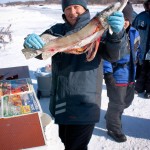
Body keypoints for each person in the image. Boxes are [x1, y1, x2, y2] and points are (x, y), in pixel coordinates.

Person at [24, 0, 127, 149]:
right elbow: (39, 53)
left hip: (84, 103)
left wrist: (117, 35)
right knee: (65, 140)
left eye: (76, 7)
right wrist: (29, 44)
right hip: (60, 101)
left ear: (84, 8)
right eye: (68, 8)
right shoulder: (56, 30)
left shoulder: (101, 30)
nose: (72, 12)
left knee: (76, 146)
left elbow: (114, 55)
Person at [103, 2, 141, 142]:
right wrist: (108, 74)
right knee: (117, 104)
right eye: (122, 18)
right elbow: (105, 57)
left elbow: (138, 50)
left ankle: (111, 114)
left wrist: (140, 65)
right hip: (117, 75)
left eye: (127, 19)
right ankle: (113, 128)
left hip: (131, 74)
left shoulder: (134, 32)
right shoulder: (110, 34)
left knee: (127, 101)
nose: (124, 22)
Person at [132, 0, 150, 98]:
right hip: (142, 49)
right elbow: (133, 30)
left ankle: (149, 90)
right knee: (141, 69)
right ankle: (138, 88)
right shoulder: (140, 17)